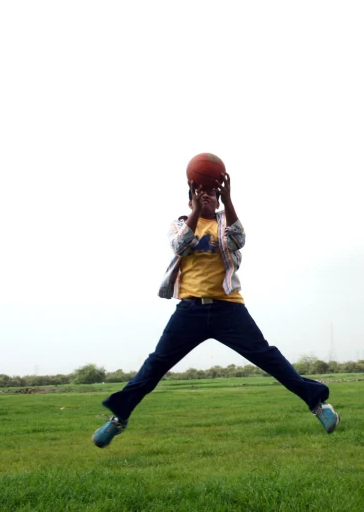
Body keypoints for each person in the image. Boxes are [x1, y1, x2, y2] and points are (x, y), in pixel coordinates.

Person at [92, 169, 339, 448]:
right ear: (190, 202)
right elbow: (179, 246)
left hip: (228, 309)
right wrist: (196, 213)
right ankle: (118, 418)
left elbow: (238, 240)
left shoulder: (225, 223)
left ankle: (319, 406)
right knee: (156, 363)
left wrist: (229, 201)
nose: (206, 196)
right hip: (190, 311)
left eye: (211, 192)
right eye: (199, 194)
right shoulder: (180, 224)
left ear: (218, 197)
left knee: (267, 357)